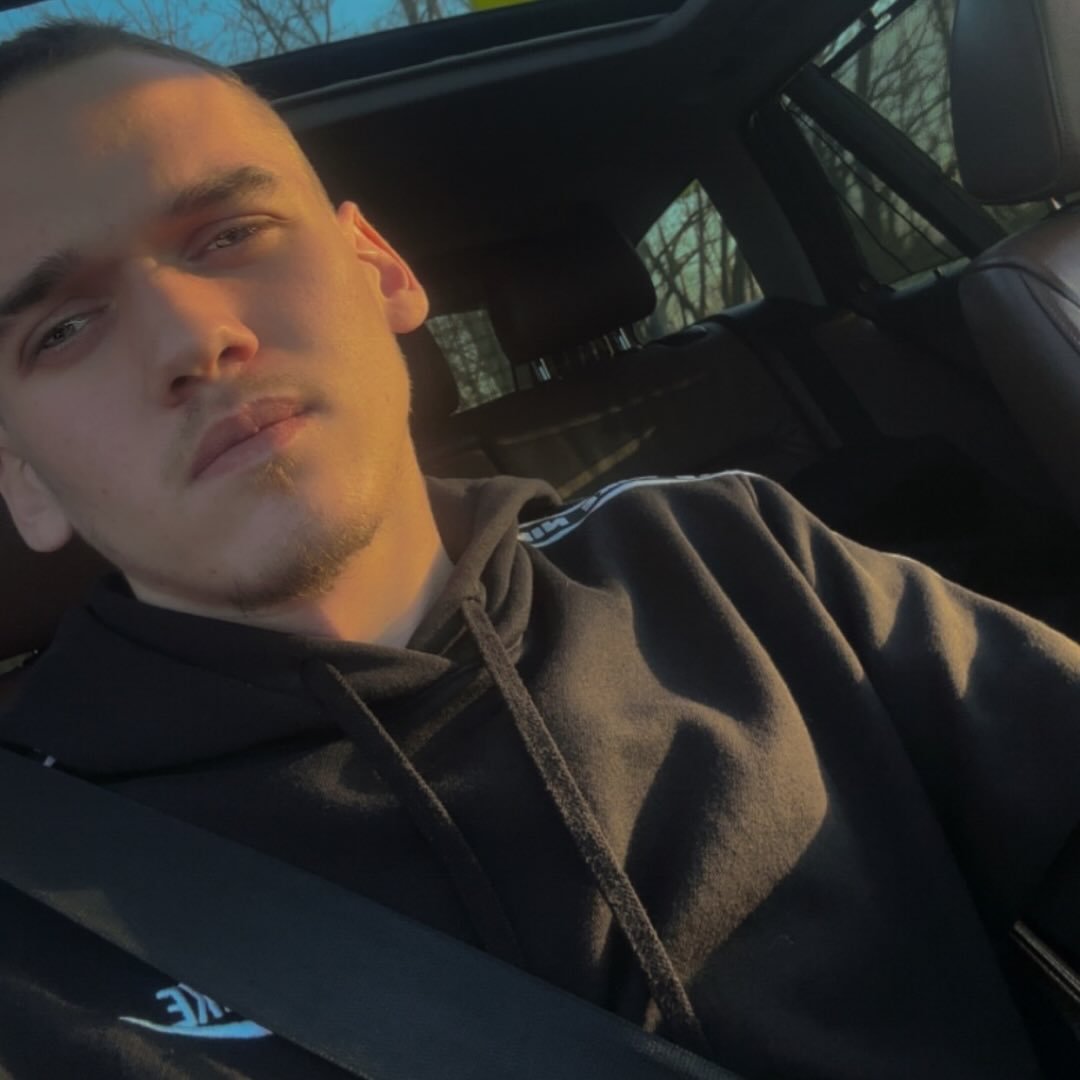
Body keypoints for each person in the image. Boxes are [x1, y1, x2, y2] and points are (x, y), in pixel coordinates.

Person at [0, 19, 1077, 1080]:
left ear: (379, 269)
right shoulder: (32, 891)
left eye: (230, 232)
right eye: (61, 328)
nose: (191, 339)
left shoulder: (732, 555)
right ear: (22, 479)